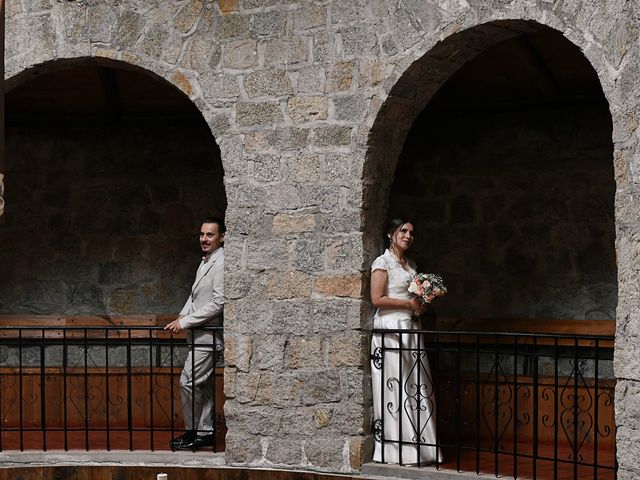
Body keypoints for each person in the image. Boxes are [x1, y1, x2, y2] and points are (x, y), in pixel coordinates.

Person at [370, 218, 442, 465]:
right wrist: (407, 305)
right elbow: (377, 299)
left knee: (416, 382)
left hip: (410, 326)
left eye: (412, 232)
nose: (408, 236)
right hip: (391, 327)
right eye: (403, 231)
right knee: (395, 383)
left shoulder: (410, 265)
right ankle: (399, 448)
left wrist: (419, 306)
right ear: (392, 233)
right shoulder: (382, 263)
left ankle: (423, 447)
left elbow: (412, 296)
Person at [165, 217, 225, 450]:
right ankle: (206, 433)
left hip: (208, 337)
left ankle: (193, 433)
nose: (204, 239)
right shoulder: (205, 262)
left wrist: (186, 322)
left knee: (187, 382)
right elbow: (195, 298)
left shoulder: (220, 262)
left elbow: (218, 302)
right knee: (205, 388)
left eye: (210, 235)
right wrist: (181, 317)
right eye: (202, 234)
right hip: (199, 335)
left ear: (221, 237)